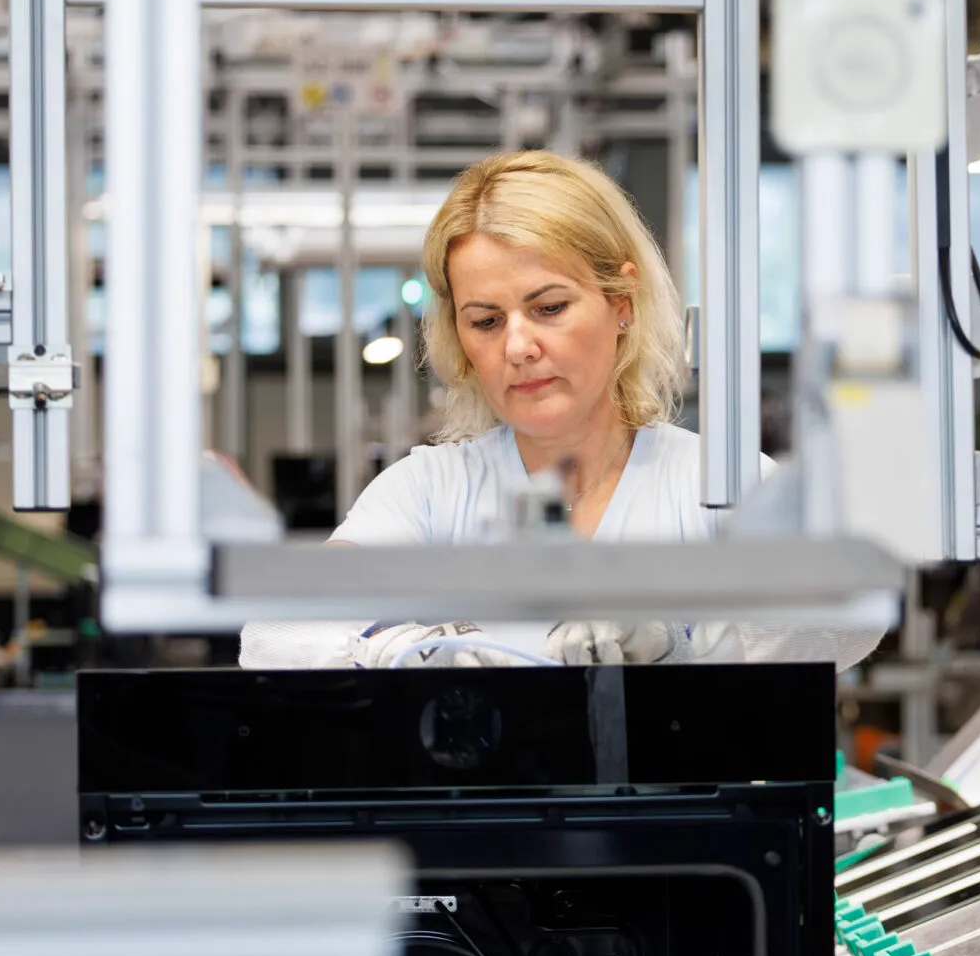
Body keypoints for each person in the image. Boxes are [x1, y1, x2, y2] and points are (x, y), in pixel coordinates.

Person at [239, 148, 878, 672]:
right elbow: (275, 634)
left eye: (549, 308)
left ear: (621, 302)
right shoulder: (430, 492)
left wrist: (681, 640)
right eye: (485, 320)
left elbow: (854, 610)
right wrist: (411, 651)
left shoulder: (714, 481)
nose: (518, 346)